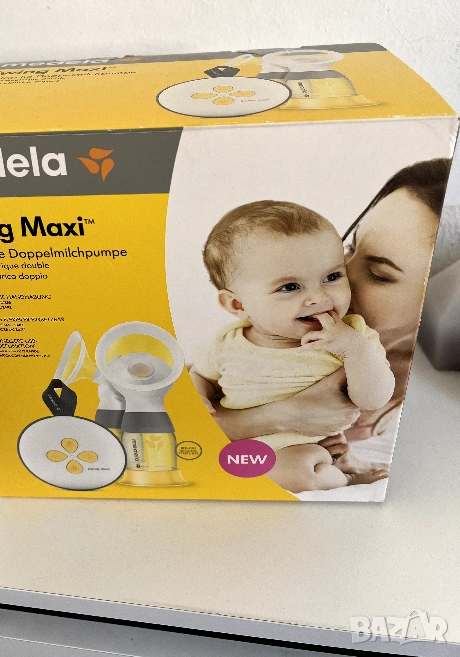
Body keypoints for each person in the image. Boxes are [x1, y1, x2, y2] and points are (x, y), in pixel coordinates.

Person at [207, 159, 451, 474]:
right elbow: (180, 414)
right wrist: (277, 416)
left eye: (378, 274)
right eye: (350, 246)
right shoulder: (263, 331)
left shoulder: (427, 394)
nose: (340, 275)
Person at [190, 200, 394, 492]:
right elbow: (201, 376)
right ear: (238, 305)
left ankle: (346, 477)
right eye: (289, 287)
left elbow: (374, 399)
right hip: (243, 444)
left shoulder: (352, 335)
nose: (318, 297)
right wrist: (199, 396)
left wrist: (355, 350)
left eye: (332, 277)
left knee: (300, 470)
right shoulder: (227, 342)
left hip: (307, 450)